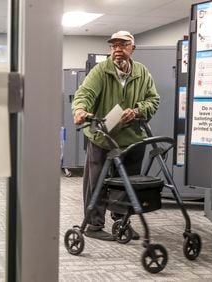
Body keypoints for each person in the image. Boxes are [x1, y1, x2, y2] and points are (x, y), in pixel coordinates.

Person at [71, 30, 160, 241]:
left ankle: (121, 222)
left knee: (126, 182)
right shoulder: (101, 71)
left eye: (122, 45)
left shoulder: (142, 72)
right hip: (104, 135)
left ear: (132, 48)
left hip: (132, 138)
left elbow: (153, 100)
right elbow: (85, 93)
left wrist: (138, 110)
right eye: (113, 46)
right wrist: (80, 109)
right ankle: (94, 224)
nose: (117, 49)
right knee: (97, 182)